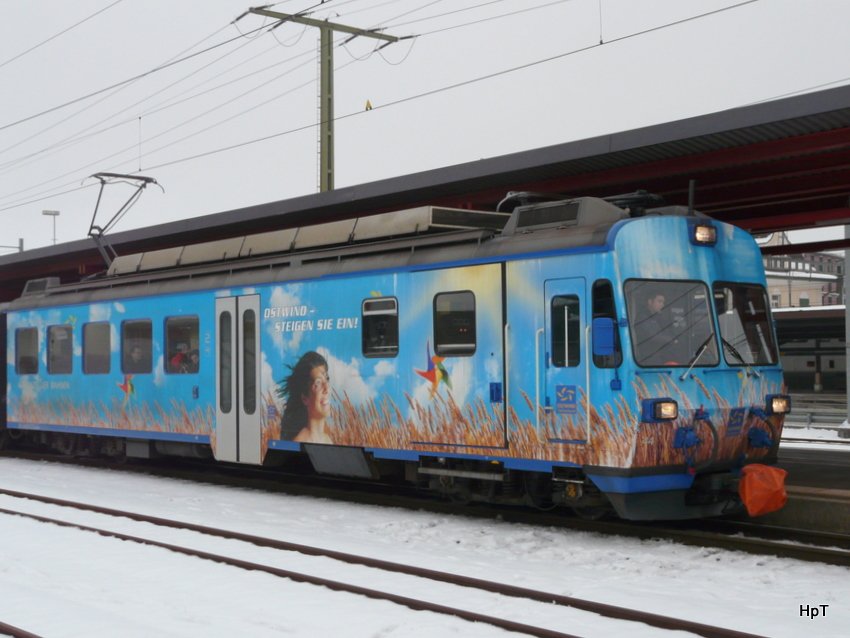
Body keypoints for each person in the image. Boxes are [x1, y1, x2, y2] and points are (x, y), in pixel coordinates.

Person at [277, 351, 333, 444]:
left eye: (327, 379)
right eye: (318, 383)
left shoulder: (327, 440)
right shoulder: (299, 443)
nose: (327, 388)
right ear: (305, 398)